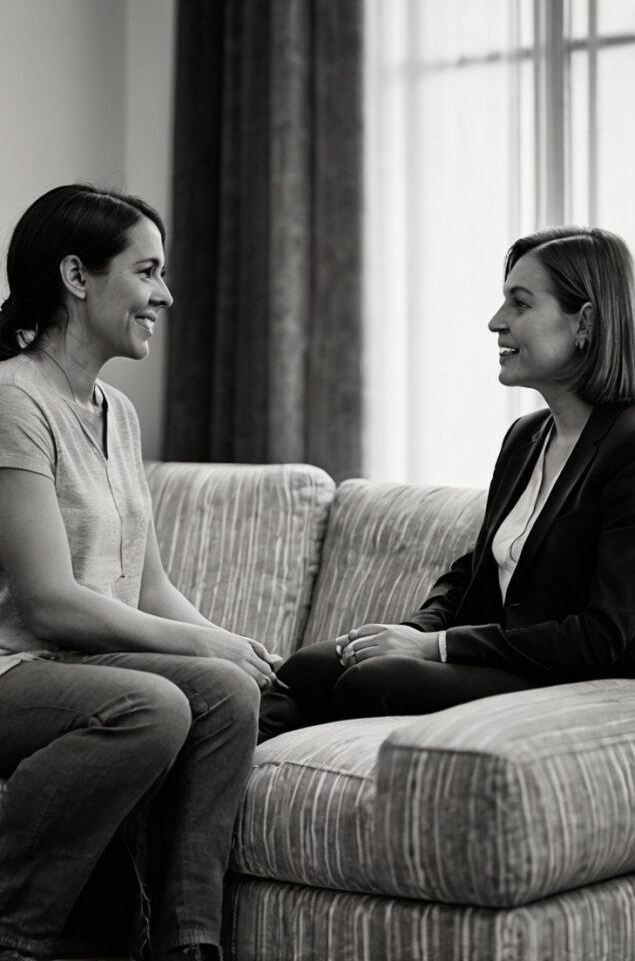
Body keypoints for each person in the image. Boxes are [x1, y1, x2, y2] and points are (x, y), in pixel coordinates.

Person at [0, 184, 280, 961]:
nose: (164, 295)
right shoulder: (6, 398)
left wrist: (240, 650)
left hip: (78, 667)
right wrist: (199, 647)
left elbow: (150, 586)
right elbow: (48, 603)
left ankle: (187, 943)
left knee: (230, 694)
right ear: (76, 276)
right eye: (147, 271)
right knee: (150, 707)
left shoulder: (116, 412)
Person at [260, 225, 635, 738]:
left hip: (572, 678)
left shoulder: (629, 446)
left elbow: (604, 636)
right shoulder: (526, 437)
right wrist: (413, 631)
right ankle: (230, 775)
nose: (496, 321)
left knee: (372, 683)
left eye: (520, 304)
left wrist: (434, 648)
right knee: (307, 668)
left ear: (584, 322)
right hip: (503, 661)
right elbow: (470, 573)